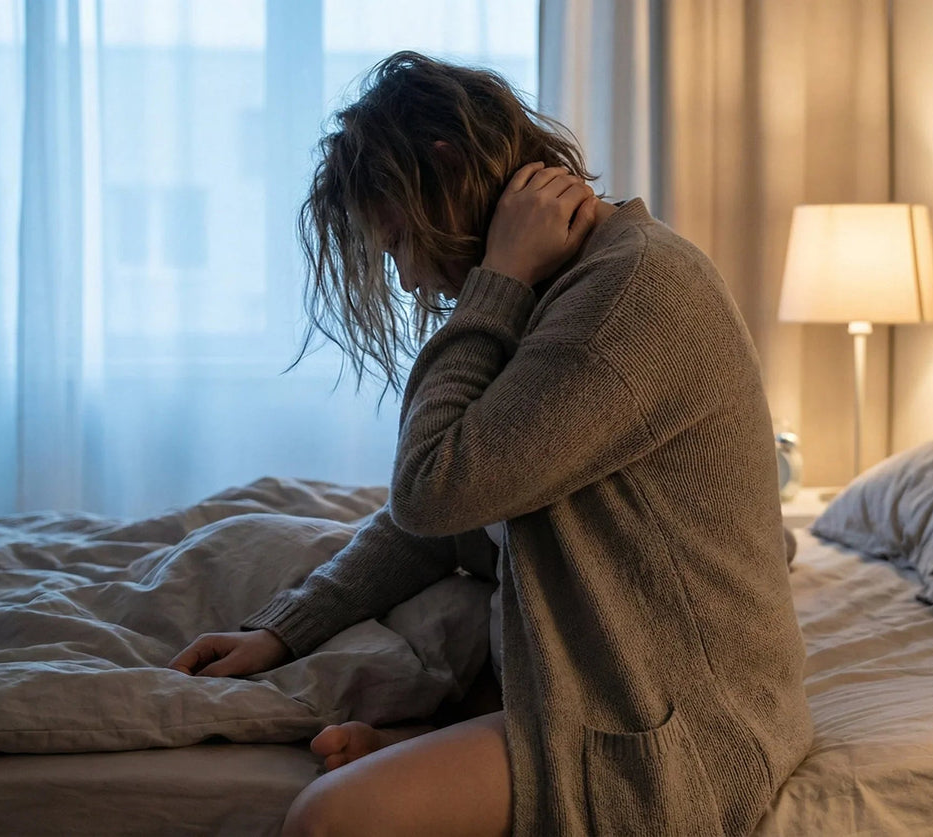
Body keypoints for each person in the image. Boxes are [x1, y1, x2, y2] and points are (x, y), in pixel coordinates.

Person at [167, 51, 811, 837]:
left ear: (447, 167)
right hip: (607, 691)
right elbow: (447, 521)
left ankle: (434, 755)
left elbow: (436, 486)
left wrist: (496, 278)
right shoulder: (568, 292)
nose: (405, 279)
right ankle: (434, 750)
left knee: (328, 820)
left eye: (399, 238)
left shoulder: (629, 294)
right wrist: (283, 628)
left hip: (677, 735)